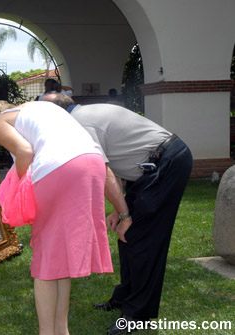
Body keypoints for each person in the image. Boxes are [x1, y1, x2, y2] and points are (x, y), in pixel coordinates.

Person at [41, 93, 193, 335]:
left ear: (55, 114)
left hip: (165, 163)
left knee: (144, 240)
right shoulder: (82, 115)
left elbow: (103, 172)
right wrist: (119, 210)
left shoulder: (79, 126)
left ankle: (138, 316)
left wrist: (125, 215)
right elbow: (118, 157)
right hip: (146, 167)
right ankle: (124, 298)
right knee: (129, 237)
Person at [0, 100, 113, 335]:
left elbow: (25, 152)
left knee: (45, 261)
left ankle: (46, 332)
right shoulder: (37, 110)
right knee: (59, 259)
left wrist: (20, 188)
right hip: (93, 163)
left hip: (59, 169)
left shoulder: (0, 121)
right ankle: (61, 330)